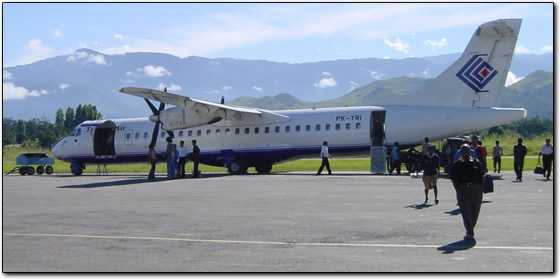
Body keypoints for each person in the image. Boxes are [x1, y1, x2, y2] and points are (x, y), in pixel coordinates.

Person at [451, 144, 485, 241]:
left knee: (475, 210)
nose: (465, 154)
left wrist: (480, 189)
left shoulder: (476, 163)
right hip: (463, 189)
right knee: (465, 211)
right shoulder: (457, 164)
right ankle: (469, 232)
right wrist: (458, 189)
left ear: (470, 152)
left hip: (476, 189)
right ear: (460, 153)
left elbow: (481, 176)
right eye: (464, 152)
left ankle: (471, 228)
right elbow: (453, 178)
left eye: (467, 151)